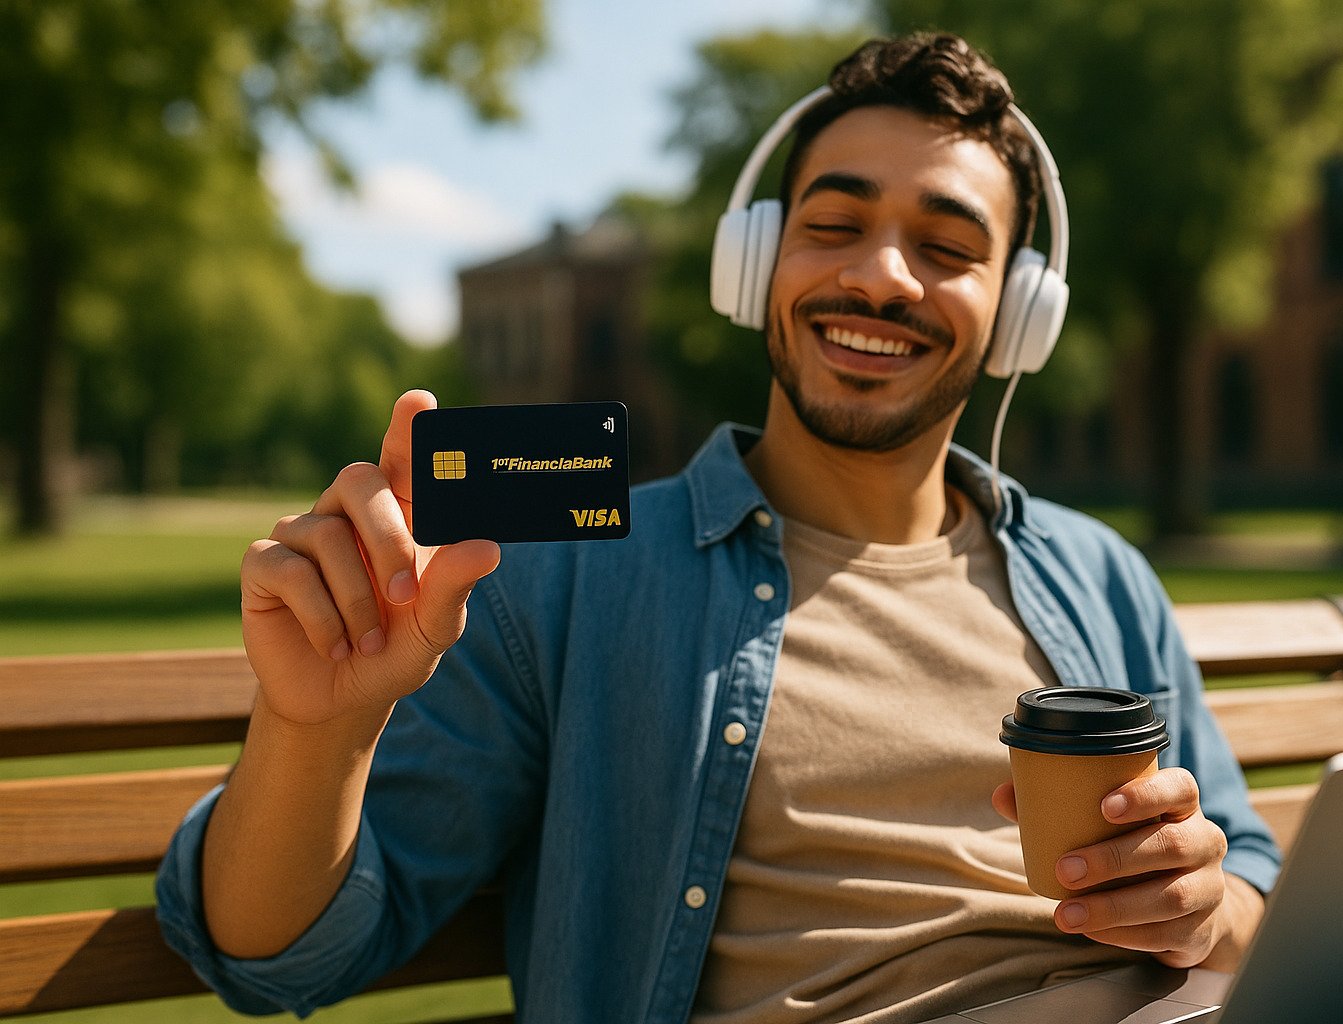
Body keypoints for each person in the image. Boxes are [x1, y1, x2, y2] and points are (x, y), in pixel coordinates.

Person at [157, 31, 1279, 1024]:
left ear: (1018, 315)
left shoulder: (1097, 572)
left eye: (946, 248)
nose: (881, 275)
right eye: (833, 223)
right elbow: (281, 957)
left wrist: (1203, 904)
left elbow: (1255, 885)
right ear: (756, 264)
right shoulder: (554, 581)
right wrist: (317, 730)